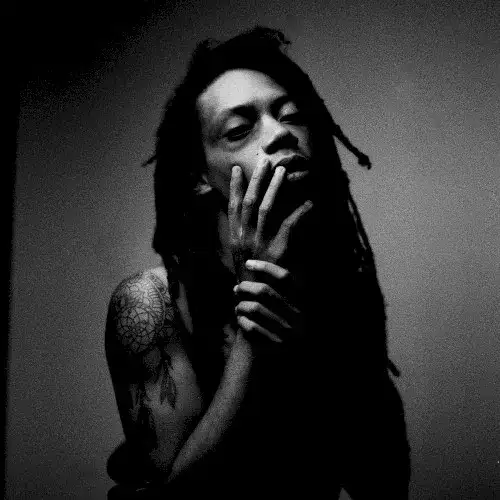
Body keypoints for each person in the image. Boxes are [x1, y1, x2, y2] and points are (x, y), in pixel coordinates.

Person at [105, 26, 411, 499]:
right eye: (239, 130)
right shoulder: (148, 304)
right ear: (198, 175)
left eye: (292, 116)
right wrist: (256, 332)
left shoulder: (334, 291)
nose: (281, 132)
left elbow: (384, 485)